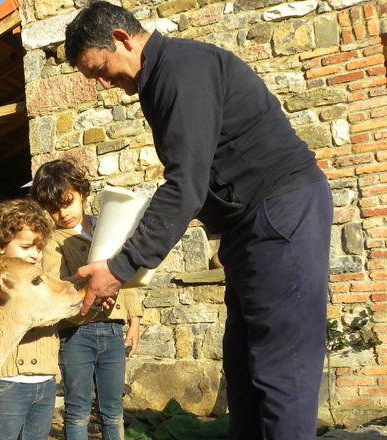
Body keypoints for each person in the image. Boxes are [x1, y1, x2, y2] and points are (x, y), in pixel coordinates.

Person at [63, 3, 332, 440]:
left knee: (282, 374)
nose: (106, 85)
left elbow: (185, 185)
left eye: (102, 71)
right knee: (244, 372)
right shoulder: (160, 80)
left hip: (280, 215)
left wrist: (118, 268)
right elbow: (205, 178)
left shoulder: (180, 71)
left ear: (121, 38)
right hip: (250, 226)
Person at [30, 159, 142, 440]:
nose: (62, 213)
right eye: (53, 209)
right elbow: (58, 287)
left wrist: (135, 322)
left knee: (113, 411)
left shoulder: (109, 225)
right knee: (78, 410)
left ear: (81, 192)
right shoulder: (54, 242)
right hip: (75, 334)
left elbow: (126, 276)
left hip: (114, 331)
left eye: (66, 202)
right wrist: (90, 290)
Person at [0, 198, 59, 440]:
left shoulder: (43, 279)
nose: (35, 255)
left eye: (39, 248)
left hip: (46, 380)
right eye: (26, 247)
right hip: (8, 382)